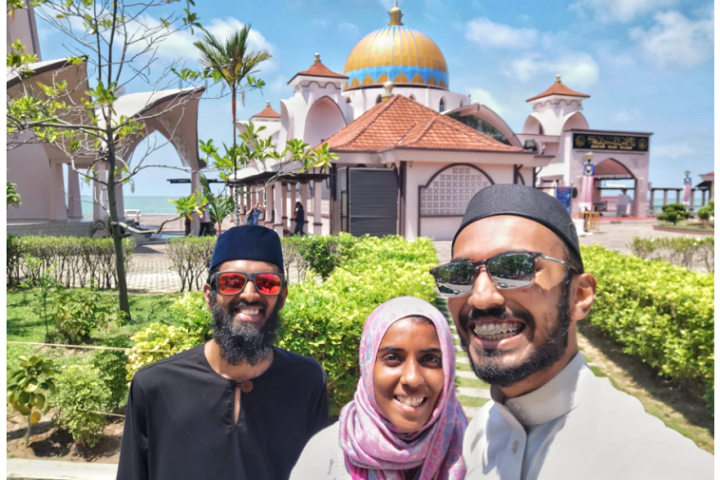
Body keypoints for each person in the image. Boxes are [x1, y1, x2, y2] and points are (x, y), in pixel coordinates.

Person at [428, 184, 713, 480]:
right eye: (460, 276)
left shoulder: (657, 462)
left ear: (579, 295)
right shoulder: (480, 432)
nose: (481, 298)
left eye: (515, 269)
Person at [117, 225, 329, 480]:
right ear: (210, 296)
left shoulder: (306, 381)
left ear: (282, 297)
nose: (250, 294)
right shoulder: (155, 386)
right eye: (232, 282)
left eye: (266, 283)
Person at [291, 296, 467, 480]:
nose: (413, 379)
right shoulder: (325, 457)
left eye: (430, 359)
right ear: (367, 366)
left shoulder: (474, 453)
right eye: (393, 358)